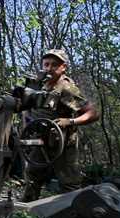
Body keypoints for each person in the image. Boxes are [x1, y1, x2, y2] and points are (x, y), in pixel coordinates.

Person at [20, 49, 100, 202]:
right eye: (46, 64)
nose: (49, 68)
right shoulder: (40, 85)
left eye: (54, 65)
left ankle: (74, 216)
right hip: (40, 141)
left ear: (63, 67)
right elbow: (26, 108)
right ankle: (26, 213)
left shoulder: (66, 88)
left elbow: (93, 113)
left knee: (69, 181)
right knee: (32, 176)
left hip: (62, 143)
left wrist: (70, 121)